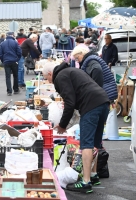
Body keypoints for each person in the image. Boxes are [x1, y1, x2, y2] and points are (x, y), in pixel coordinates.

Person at [42, 62, 109, 193]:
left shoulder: (60, 77)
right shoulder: (71, 70)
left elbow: (70, 103)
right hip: (103, 102)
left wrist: (62, 125)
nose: (48, 81)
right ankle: (93, 175)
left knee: (86, 144)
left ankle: (86, 182)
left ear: (50, 74)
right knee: (95, 142)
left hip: (91, 106)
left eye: (46, 78)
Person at [0, 32, 22, 96]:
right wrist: (17, 59)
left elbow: (0, 54)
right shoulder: (15, 42)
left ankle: (9, 91)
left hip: (6, 61)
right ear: (12, 35)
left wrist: (3, 60)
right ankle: (16, 89)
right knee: (15, 76)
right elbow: (19, 52)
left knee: (7, 76)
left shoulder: (2, 43)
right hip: (14, 61)